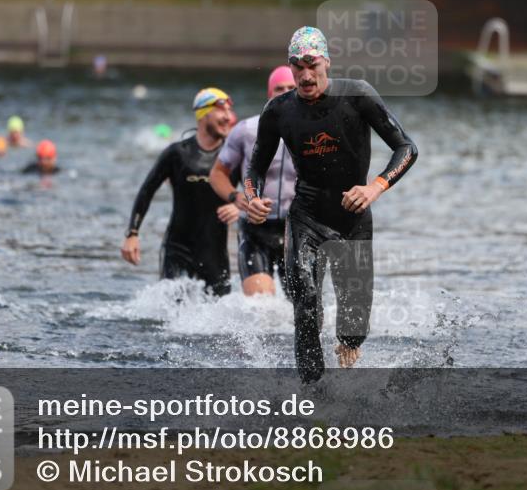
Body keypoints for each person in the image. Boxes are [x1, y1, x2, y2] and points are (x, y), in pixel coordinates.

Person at [244, 27, 418, 382]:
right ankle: (313, 390)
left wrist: (375, 188)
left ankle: (348, 350)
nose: (306, 75)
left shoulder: (358, 96)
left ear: (327, 62)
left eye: (312, 64)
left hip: (353, 216)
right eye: (297, 67)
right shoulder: (278, 111)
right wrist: (253, 197)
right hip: (306, 215)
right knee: (305, 299)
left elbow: (406, 148)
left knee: (353, 326)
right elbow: (255, 168)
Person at [121, 88, 236, 294]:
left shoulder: (232, 156)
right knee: (173, 316)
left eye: (229, 111)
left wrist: (238, 207)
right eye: (222, 111)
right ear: (203, 114)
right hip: (177, 251)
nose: (228, 117)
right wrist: (132, 233)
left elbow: (254, 191)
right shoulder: (177, 153)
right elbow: (147, 191)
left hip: (215, 256)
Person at [209, 66, 297, 296]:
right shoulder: (246, 130)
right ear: (270, 93)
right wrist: (236, 197)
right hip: (256, 228)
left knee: (303, 312)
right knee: (260, 309)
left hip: (296, 231)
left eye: (291, 88)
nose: (285, 92)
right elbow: (217, 174)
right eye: (279, 88)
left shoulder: (314, 132)